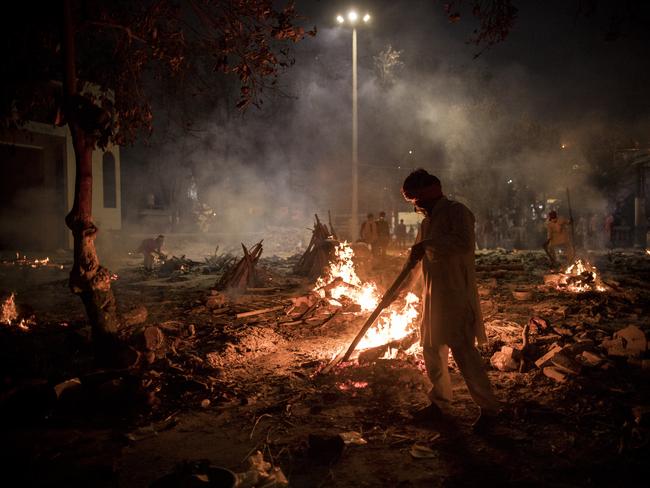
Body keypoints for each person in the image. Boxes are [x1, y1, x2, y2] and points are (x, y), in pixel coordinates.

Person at [401, 169, 500, 431]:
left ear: (428, 193)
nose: (416, 206)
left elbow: (464, 243)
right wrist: (407, 287)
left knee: (463, 351)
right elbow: (420, 259)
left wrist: (428, 245)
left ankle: (489, 409)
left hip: (456, 293)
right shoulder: (426, 223)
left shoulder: (457, 212)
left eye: (416, 200)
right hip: (433, 296)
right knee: (432, 349)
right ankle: (440, 402)